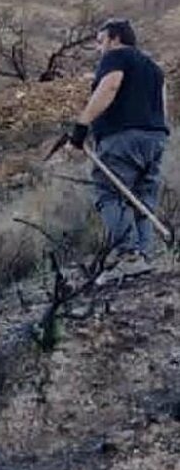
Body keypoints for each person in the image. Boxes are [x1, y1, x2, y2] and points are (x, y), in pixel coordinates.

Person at [69, 18, 170, 279]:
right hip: (156, 137)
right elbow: (163, 105)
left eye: (101, 41)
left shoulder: (116, 57)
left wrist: (82, 125)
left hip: (122, 137)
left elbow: (110, 86)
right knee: (142, 197)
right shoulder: (154, 69)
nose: (99, 48)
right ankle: (143, 256)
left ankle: (129, 254)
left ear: (115, 39)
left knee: (109, 193)